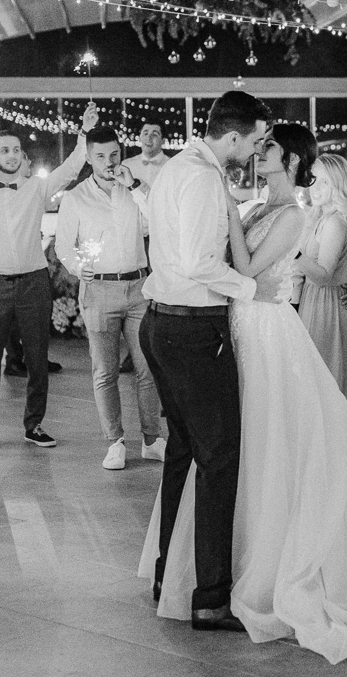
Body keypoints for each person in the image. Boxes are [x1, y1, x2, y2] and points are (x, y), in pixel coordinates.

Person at [141, 122, 347, 663]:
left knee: (257, 444)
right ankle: (224, 562)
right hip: (239, 325)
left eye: (266, 149)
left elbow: (243, 266)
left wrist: (224, 207)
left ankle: (260, 566)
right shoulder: (260, 204)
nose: (257, 154)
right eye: (256, 145)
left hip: (265, 333)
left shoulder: (291, 214)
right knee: (231, 448)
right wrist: (227, 211)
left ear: (289, 160)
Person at [138, 90, 276, 632]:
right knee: (219, 457)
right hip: (192, 330)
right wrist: (248, 288)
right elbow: (198, 262)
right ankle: (211, 597)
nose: (258, 150)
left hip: (165, 324)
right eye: (257, 140)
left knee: (184, 451)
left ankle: (166, 573)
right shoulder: (199, 176)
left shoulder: (183, 167)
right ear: (235, 136)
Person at [0, 104, 96, 450]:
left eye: (15, 150)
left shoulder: (37, 188)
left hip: (34, 281)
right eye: (4, 150)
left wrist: (84, 132)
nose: (11, 155)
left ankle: (35, 424)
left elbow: (72, 168)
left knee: (38, 358)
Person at [55, 127, 164, 470]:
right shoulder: (75, 198)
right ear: (88, 158)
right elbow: (62, 246)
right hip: (98, 289)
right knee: (105, 371)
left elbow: (160, 219)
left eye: (114, 154)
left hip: (139, 288)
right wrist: (77, 267)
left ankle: (151, 440)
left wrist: (134, 185)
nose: (108, 162)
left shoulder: (135, 190)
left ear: (121, 154)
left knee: (148, 369)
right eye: (100, 156)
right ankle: (114, 441)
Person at [293, 150, 347, 481]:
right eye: (314, 179)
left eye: (325, 181)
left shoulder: (337, 222)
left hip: (327, 308)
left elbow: (325, 274)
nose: (317, 186)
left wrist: (292, 251)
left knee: (328, 391)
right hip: (325, 303)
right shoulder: (320, 217)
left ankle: (333, 477)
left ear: (339, 184)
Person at [121, 118, 170, 191]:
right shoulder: (127, 165)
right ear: (140, 138)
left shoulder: (171, 165)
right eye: (145, 133)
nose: (149, 138)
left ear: (163, 141)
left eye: (155, 135)